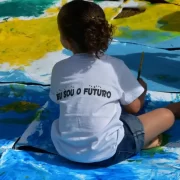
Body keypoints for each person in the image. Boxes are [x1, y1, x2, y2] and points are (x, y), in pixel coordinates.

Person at [49, 0, 180, 167]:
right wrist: (142, 89)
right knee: (166, 115)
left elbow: (60, 99)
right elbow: (134, 108)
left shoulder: (59, 69)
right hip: (110, 151)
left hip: (65, 150)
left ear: (65, 40)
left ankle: (143, 141)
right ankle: (146, 141)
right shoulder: (114, 66)